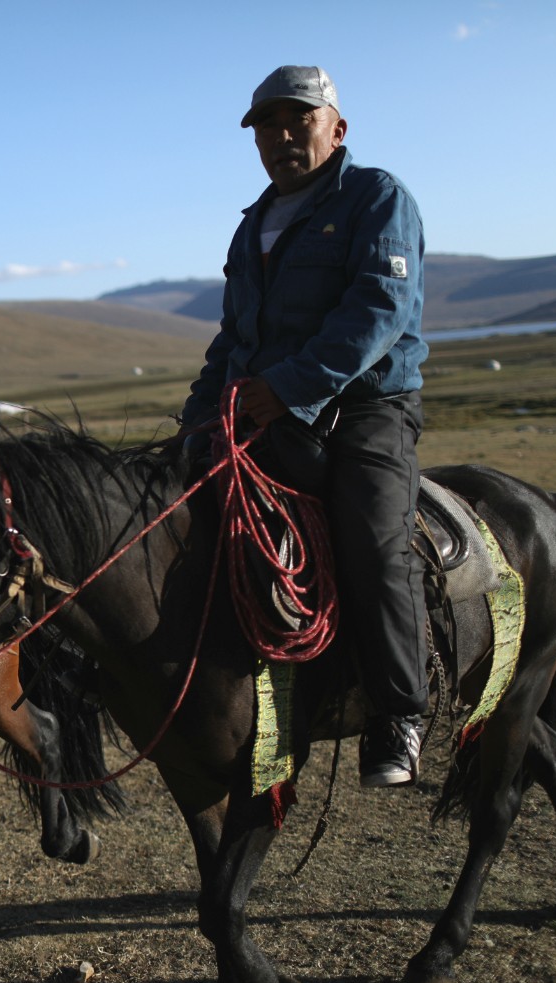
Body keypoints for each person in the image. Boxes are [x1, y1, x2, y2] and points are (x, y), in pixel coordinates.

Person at [179, 66, 429, 787]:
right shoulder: (253, 226)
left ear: (336, 128)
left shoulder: (376, 199)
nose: (282, 137)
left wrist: (288, 389)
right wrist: (198, 420)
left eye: (300, 121)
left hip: (366, 408)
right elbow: (233, 341)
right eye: (267, 126)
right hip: (262, 406)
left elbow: (377, 315)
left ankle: (398, 713)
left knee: (375, 544)